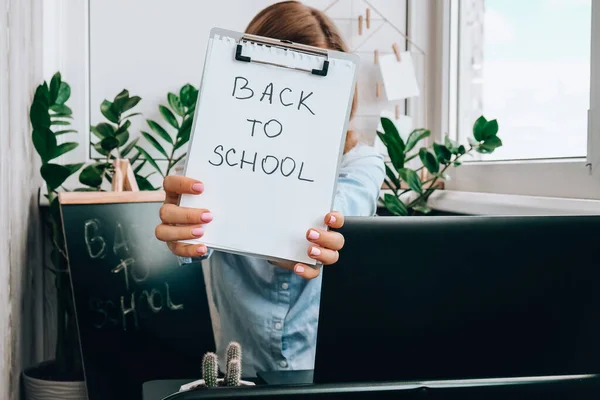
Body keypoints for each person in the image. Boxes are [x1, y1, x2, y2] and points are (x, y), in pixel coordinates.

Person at [155, 1, 385, 377]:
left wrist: (302, 237)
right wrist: (183, 236)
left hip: (327, 368)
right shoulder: (210, 160)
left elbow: (340, 217)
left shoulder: (361, 163)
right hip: (242, 368)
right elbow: (194, 241)